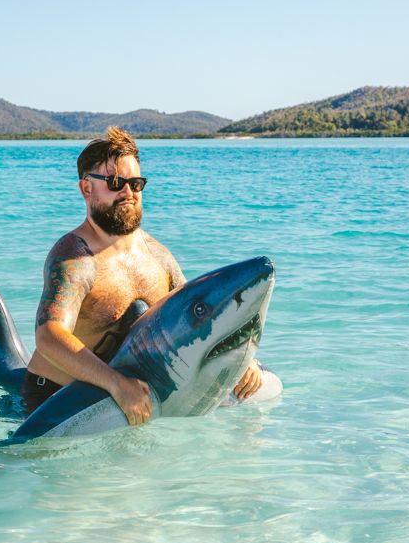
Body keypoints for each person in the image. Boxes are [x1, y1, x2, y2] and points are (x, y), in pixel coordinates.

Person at [21, 126, 263, 424]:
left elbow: (195, 321)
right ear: (86, 189)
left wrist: (242, 361)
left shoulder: (157, 255)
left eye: (135, 183)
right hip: (56, 399)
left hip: (130, 398)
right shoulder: (75, 256)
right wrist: (115, 383)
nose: (128, 192)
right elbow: (48, 337)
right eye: (114, 182)